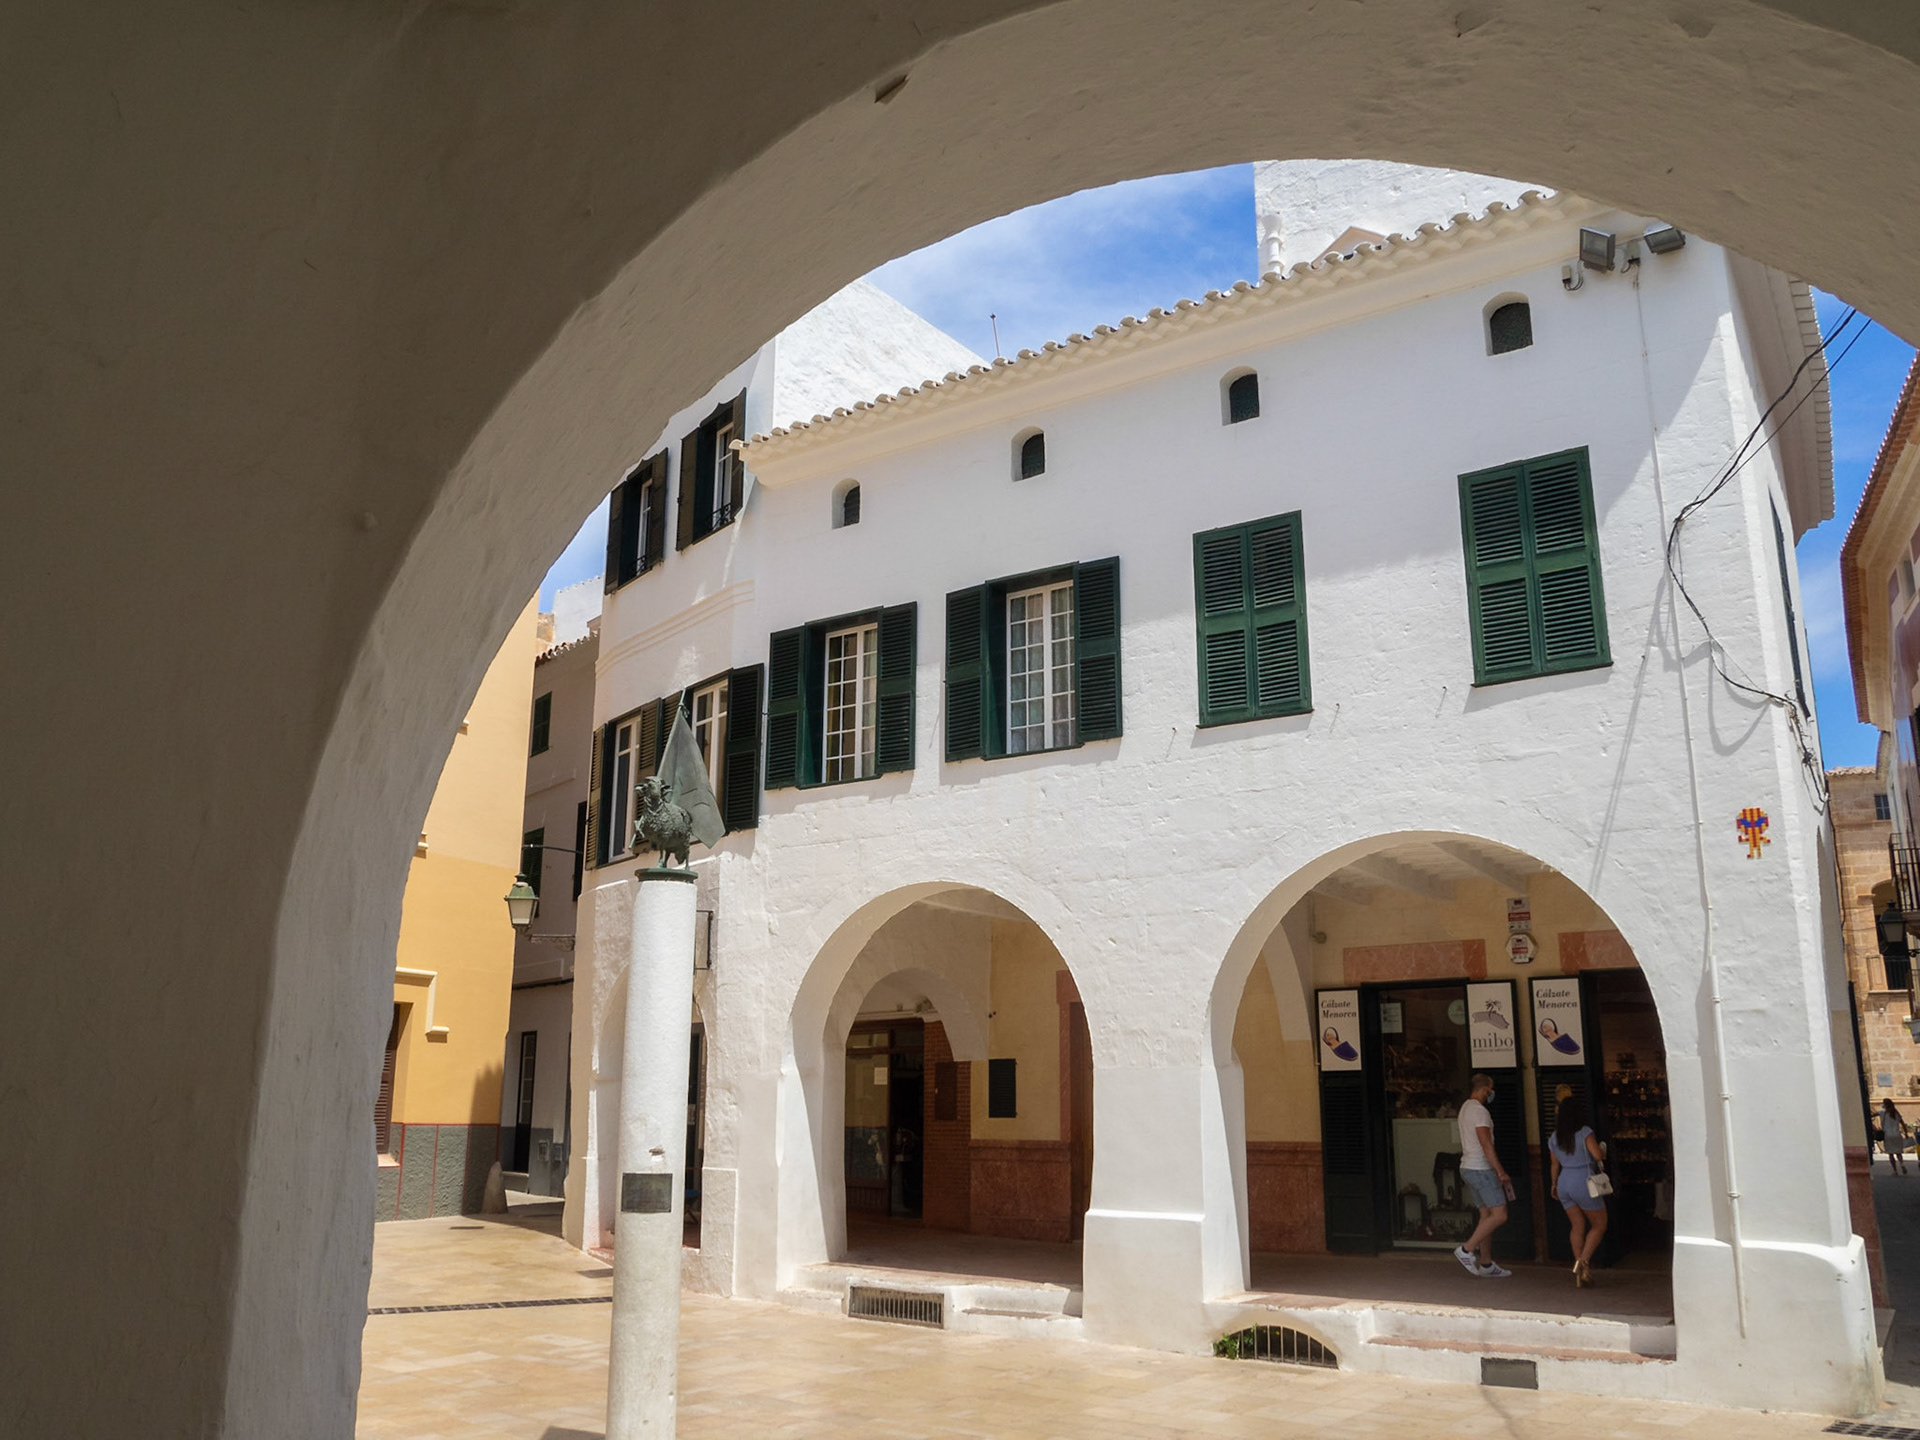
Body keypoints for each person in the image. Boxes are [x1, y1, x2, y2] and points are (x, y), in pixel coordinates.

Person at [1453, 1073, 1513, 1279]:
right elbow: (1486, 1143)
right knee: (1500, 1214)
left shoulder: (1465, 1108)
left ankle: (1486, 1263)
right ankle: (1466, 1250)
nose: (1491, 1094)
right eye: (1491, 1089)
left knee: (1486, 1215)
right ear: (1485, 1089)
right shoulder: (1480, 1112)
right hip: (1481, 1168)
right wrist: (1500, 1170)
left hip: (1468, 1167)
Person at [1547, 1095, 1609, 1286]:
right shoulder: (1585, 1132)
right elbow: (1597, 1155)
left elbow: (1554, 1164)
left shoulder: (1554, 1137)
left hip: (1564, 1181)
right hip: (1584, 1180)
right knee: (1599, 1225)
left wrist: (1554, 1184)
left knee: (1577, 1226)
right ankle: (1582, 1263)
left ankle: (1580, 1273)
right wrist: (1602, 1148)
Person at [1882, 1098, 1911, 1176]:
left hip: (1888, 1135)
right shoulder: (1896, 1113)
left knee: (1891, 1154)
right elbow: (1902, 1123)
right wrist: (1906, 1133)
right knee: (1898, 1152)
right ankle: (1902, 1164)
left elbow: (1872, 1115)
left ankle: (1895, 1170)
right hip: (1897, 1134)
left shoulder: (1883, 1113)